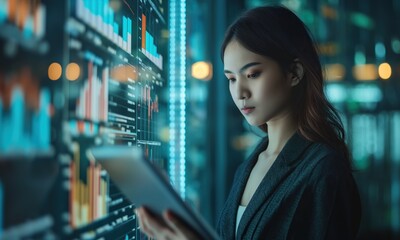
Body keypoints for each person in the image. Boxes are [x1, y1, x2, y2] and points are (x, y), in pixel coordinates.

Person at [135, 5, 361, 239]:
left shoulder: (324, 169)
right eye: (231, 79)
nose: (239, 92)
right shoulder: (249, 165)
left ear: (294, 72)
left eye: (252, 74)